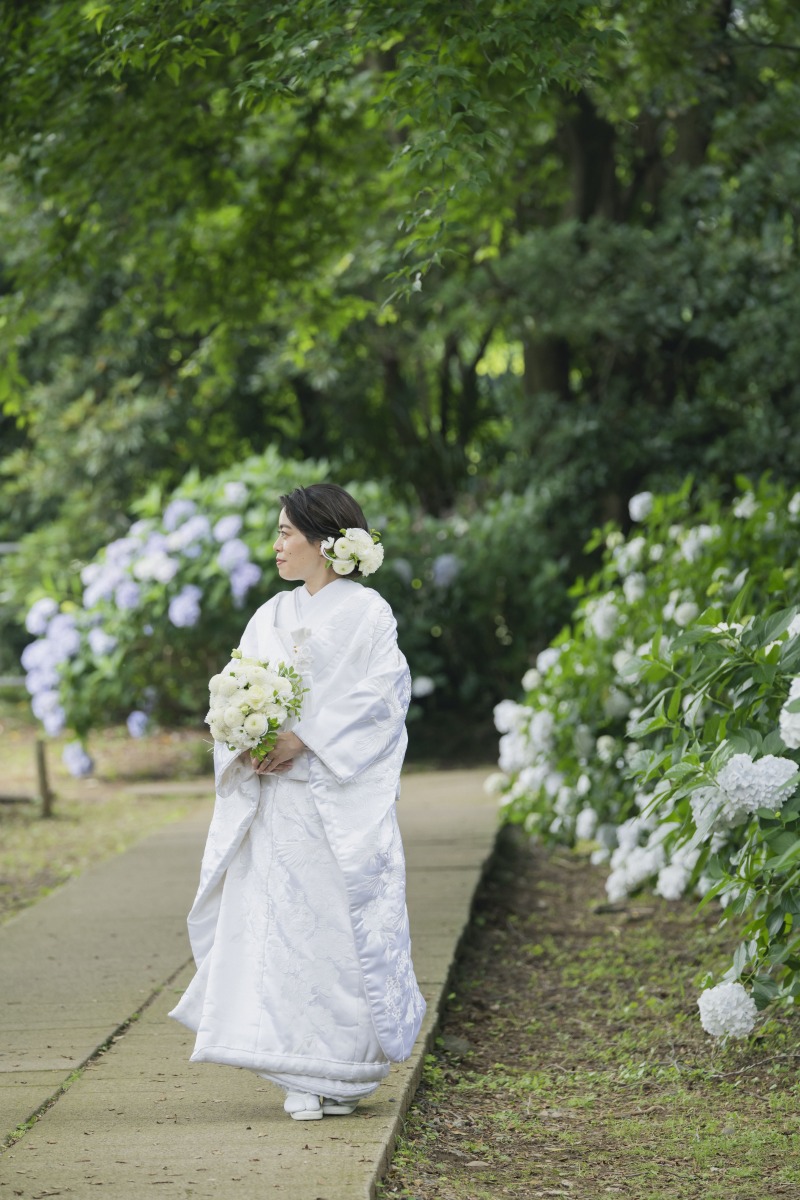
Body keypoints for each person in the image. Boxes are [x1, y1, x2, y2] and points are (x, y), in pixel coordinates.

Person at [169, 483, 426, 1121]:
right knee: (278, 931)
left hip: (333, 799)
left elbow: (384, 697)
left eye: (287, 532)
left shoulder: (369, 614)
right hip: (277, 804)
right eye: (279, 532)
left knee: (336, 930)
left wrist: (305, 738)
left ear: (326, 541)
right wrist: (246, 738)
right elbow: (233, 688)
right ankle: (298, 1070)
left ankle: (340, 1071)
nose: (277, 544)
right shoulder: (270, 616)